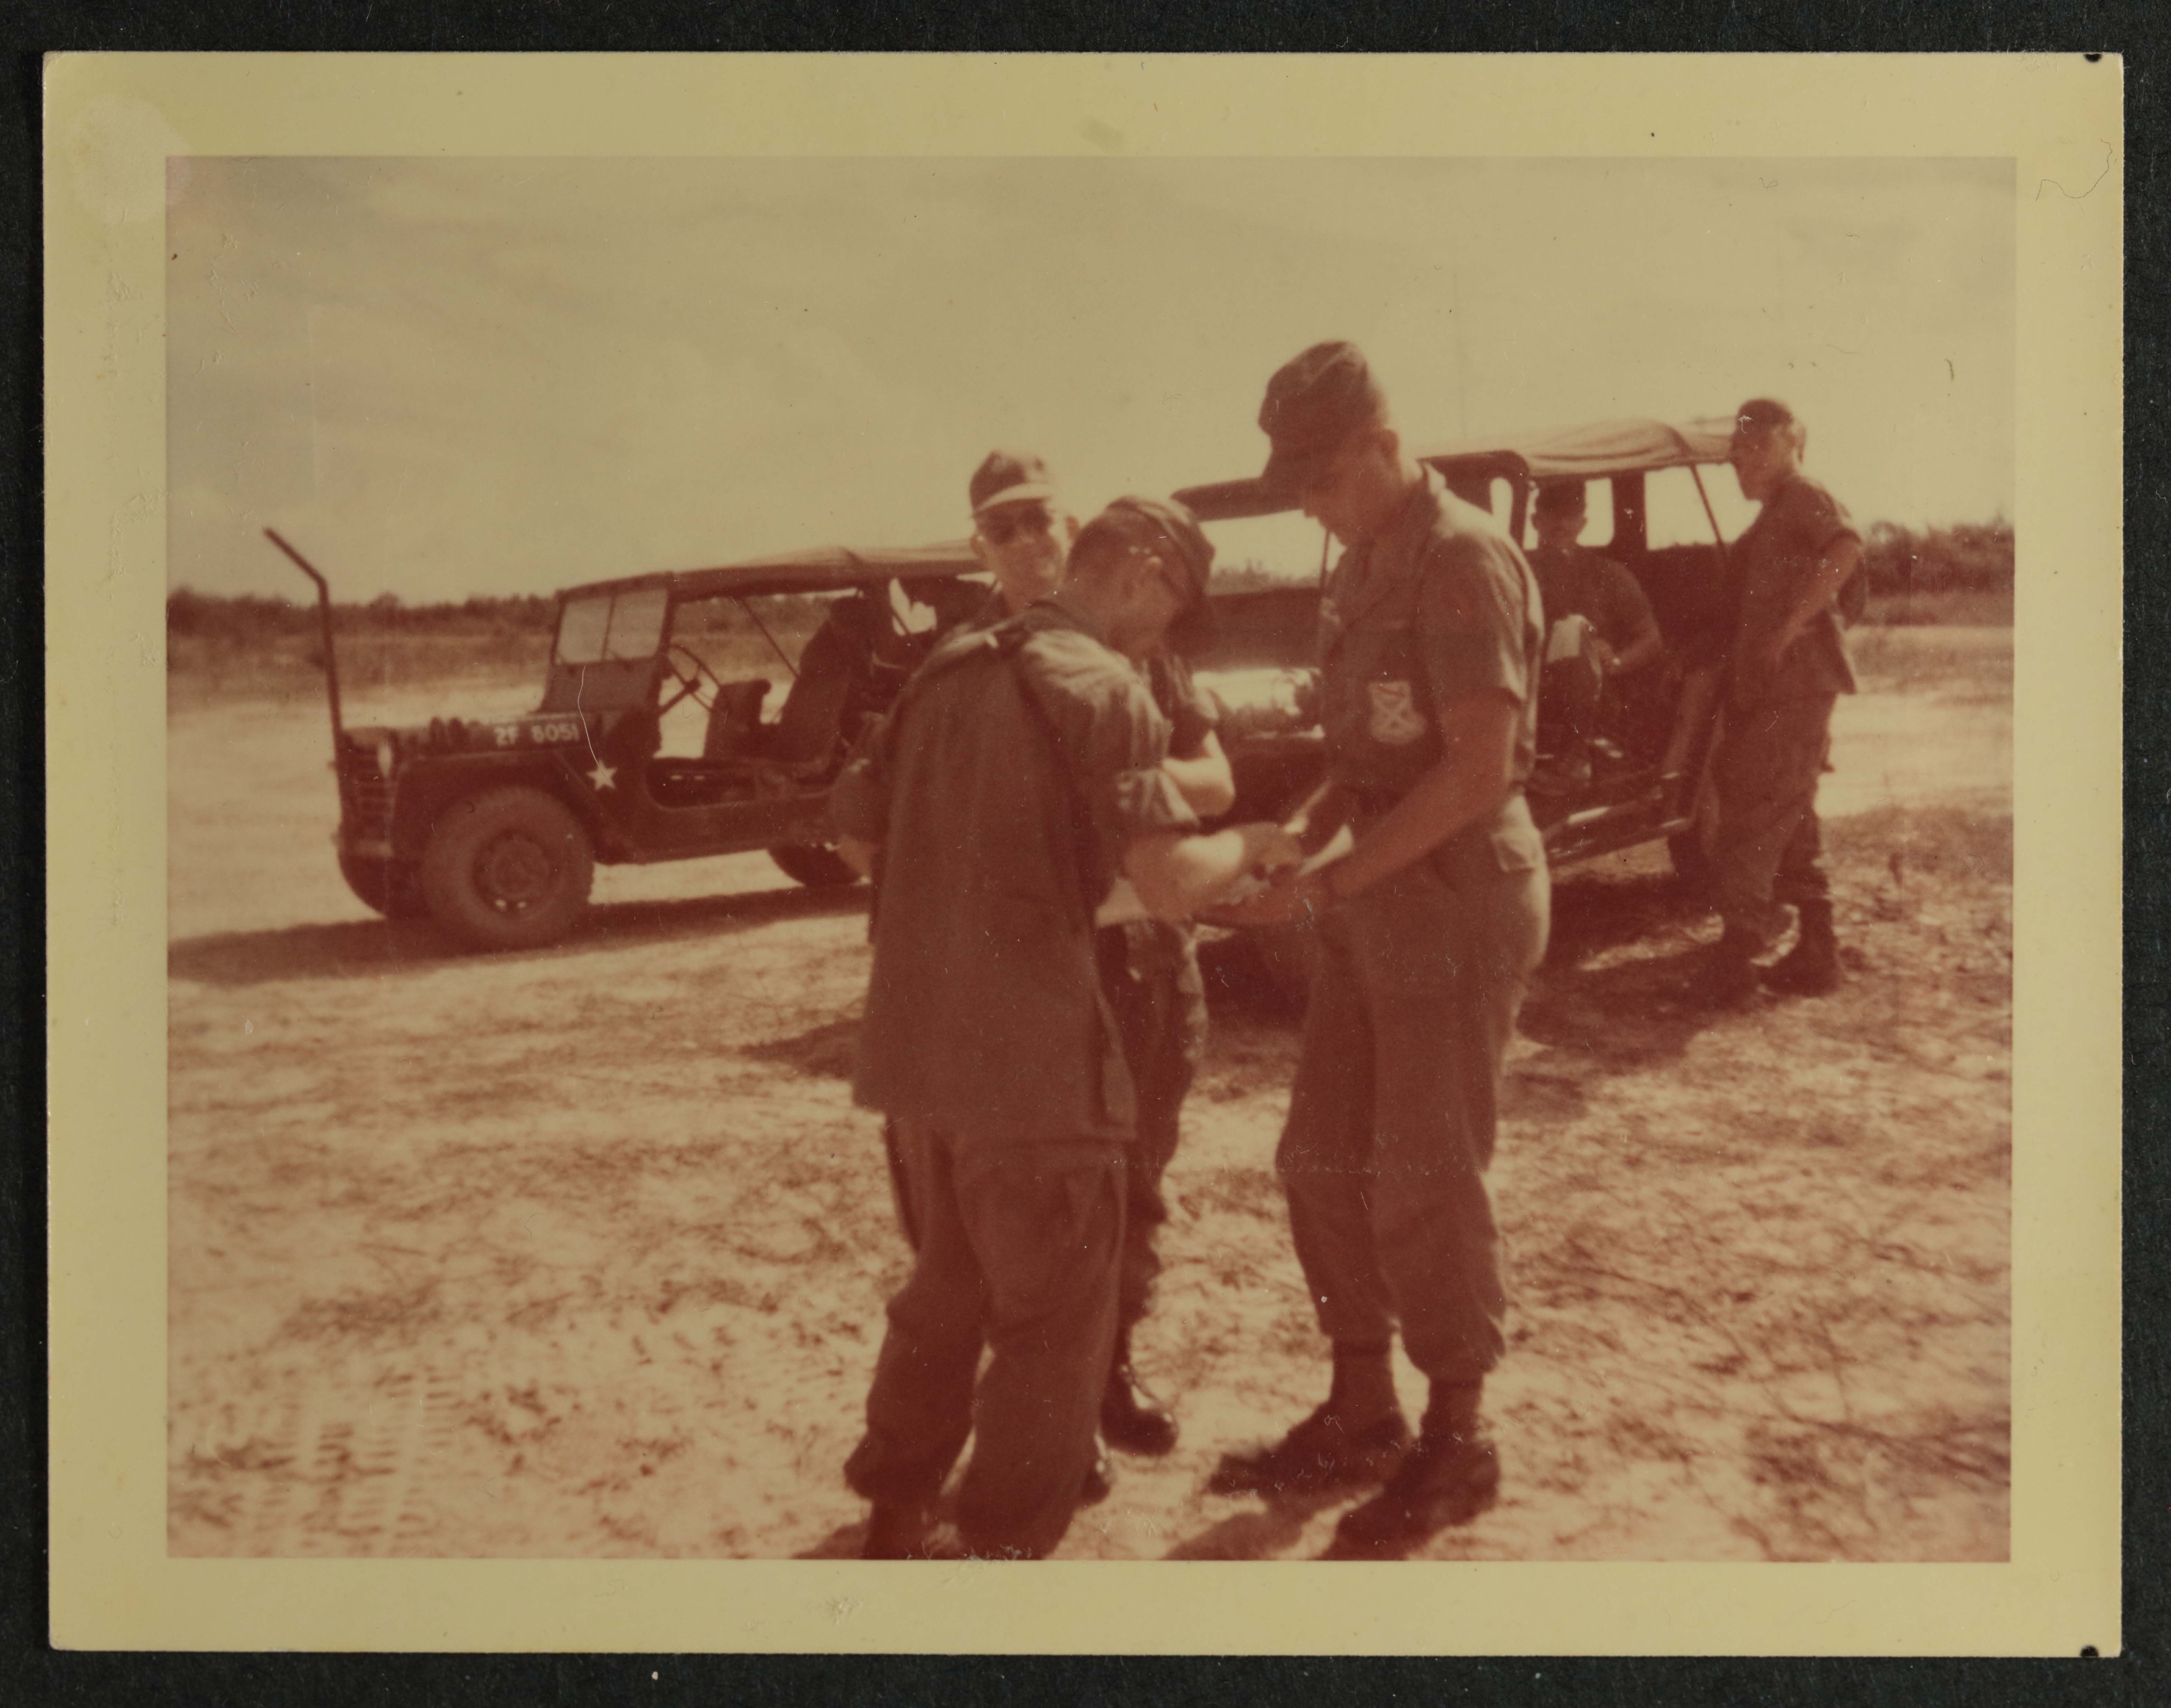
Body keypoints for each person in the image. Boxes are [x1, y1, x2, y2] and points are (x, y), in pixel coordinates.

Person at [831, 497, 1300, 1561]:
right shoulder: (1107, 693)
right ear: (1139, 572)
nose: (1166, 642)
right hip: (1037, 1076)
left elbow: (857, 835)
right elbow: (1175, 883)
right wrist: (1253, 841)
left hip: (920, 1060)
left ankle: (898, 1510)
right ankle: (1002, 1554)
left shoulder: (947, 667)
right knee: (1053, 1331)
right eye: (1172, 610)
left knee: (945, 1292)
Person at [1207, 342, 1550, 1554]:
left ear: (1378, 446)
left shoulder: (1458, 562)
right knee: (1319, 1158)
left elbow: (1480, 766)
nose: (1303, 498)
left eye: (1316, 474)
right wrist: (1288, 848)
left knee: (1423, 1172)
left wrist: (1335, 877)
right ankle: (1363, 1406)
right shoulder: (1358, 567)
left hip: (1456, 898)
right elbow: (1357, 765)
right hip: (1375, 899)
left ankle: (1458, 1436)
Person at [922, 453, 1237, 1461]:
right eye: (999, 529)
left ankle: (1106, 1374)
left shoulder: (1137, 646)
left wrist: (1120, 783)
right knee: (1028, 1207)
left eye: (1038, 521)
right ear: (980, 548)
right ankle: (1046, 1409)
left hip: (1151, 955)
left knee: (1140, 1176)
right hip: (1044, 975)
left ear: (1075, 530)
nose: (1023, 543)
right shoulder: (967, 656)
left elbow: (1219, 779)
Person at [1685, 398, 1861, 1006]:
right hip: (1776, 689)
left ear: (1793, 443)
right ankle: (1817, 947)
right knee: (1788, 806)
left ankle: (1736, 956)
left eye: (1758, 448)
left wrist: (1791, 626)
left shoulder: (1803, 495)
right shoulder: (1771, 518)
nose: (1743, 463)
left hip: (1796, 683)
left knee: (1756, 809)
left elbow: (1845, 548)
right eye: (1737, 454)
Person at [1523, 478, 1667, 782]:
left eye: (1570, 515)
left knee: (1574, 629)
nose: (1561, 524)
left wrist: (1615, 662)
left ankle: (1575, 756)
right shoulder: (1515, 571)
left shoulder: (1609, 575)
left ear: (1582, 523)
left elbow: (1651, 639)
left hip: (1595, 695)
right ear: (1536, 521)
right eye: (1551, 515)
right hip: (1526, 681)